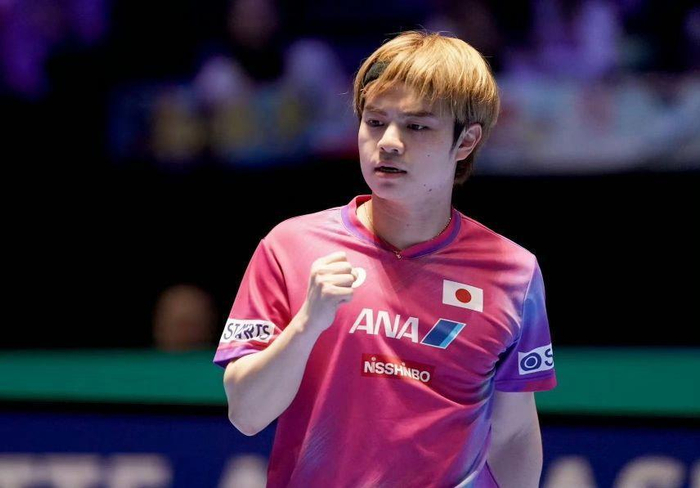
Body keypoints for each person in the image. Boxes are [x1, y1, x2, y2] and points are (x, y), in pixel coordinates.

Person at [213, 30, 556, 488]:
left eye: (417, 126)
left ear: (466, 141)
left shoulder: (513, 272)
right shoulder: (290, 246)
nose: (389, 142)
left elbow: (513, 434)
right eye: (375, 122)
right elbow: (246, 414)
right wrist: (308, 323)